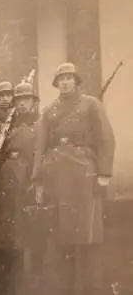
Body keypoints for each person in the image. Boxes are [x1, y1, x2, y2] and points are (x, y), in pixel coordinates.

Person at [31, 62, 115, 295]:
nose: (65, 82)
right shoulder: (50, 110)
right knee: (61, 235)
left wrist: (104, 173)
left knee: (88, 234)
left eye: (69, 78)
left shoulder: (91, 105)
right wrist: (38, 179)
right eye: (61, 79)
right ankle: (65, 287)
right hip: (57, 175)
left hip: (84, 173)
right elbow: (41, 146)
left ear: (77, 81)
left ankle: (91, 287)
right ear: (56, 84)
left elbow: (106, 139)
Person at [0, 81, 41, 294]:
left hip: (29, 176)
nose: (22, 104)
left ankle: (31, 279)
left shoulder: (39, 123)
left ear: (32, 101)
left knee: (30, 229)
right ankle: (10, 279)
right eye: (18, 101)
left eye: (26, 100)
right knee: (9, 229)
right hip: (8, 179)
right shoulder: (8, 126)